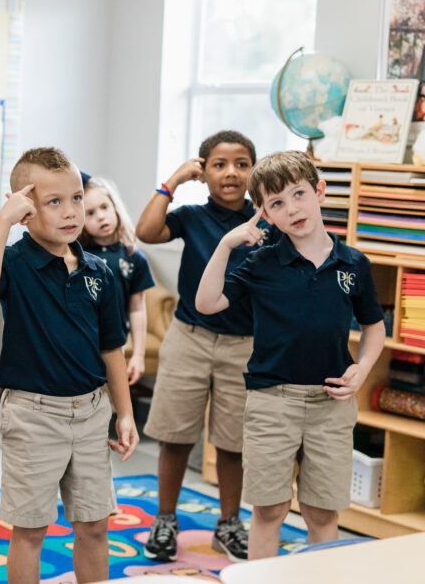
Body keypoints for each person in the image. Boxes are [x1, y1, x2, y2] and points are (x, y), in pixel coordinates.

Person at [195, 150, 384, 559]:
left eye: (298, 194)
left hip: (331, 404)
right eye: (276, 203)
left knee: (321, 512)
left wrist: (363, 367)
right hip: (271, 402)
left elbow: (374, 325)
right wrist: (227, 245)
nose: (292, 208)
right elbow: (208, 303)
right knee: (270, 509)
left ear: (319, 190)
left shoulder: (353, 263)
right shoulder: (260, 263)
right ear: (264, 213)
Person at [0, 147, 138, 584]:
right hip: (33, 415)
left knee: (94, 524)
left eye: (77, 198)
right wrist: (3, 220)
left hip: (91, 412)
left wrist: (125, 413)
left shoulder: (98, 270)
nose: (71, 212)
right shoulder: (14, 263)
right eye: (54, 202)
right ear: (26, 208)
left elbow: (112, 348)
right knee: (30, 530)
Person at [135, 130, 268, 562]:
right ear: (203, 170)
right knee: (175, 437)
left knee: (233, 444)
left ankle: (229, 524)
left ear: (253, 170)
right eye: (219, 164)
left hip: (244, 346)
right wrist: (172, 182)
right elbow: (147, 231)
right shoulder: (191, 216)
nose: (231, 172)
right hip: (189, 339)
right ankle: (166, 520)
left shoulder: (267, 219)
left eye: (242, 163)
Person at [79, 176, 155, 385]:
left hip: (114, 344)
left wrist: (138, 355)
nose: (101, 217)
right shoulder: (76, 256)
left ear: (115, 207)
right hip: (79, 342)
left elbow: (137, 309)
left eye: (105, 207)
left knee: (109, 401)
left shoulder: (134, 257)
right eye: (91, 213)